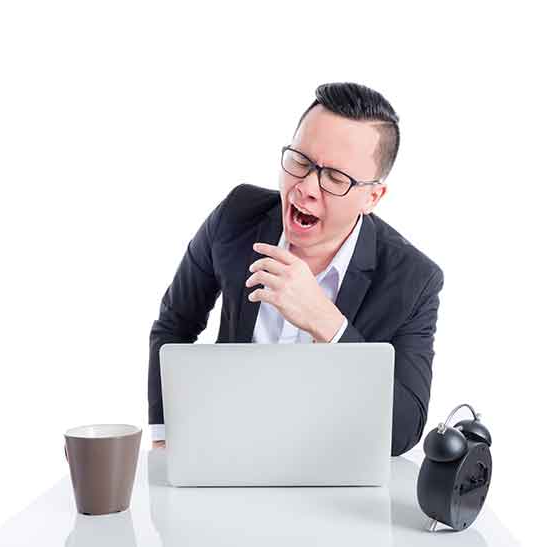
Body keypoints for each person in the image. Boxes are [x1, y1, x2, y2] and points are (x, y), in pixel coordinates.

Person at [148, 82, 444, 456]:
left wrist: (329, 326)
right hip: (227, 454)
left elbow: (403, 430)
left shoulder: (414, 280)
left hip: (330, 472)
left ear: (372, 197)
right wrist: (164, 435)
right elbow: (175, 323)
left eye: (336, 178)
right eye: (301, 161)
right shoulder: (236, 216)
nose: (305, 188)